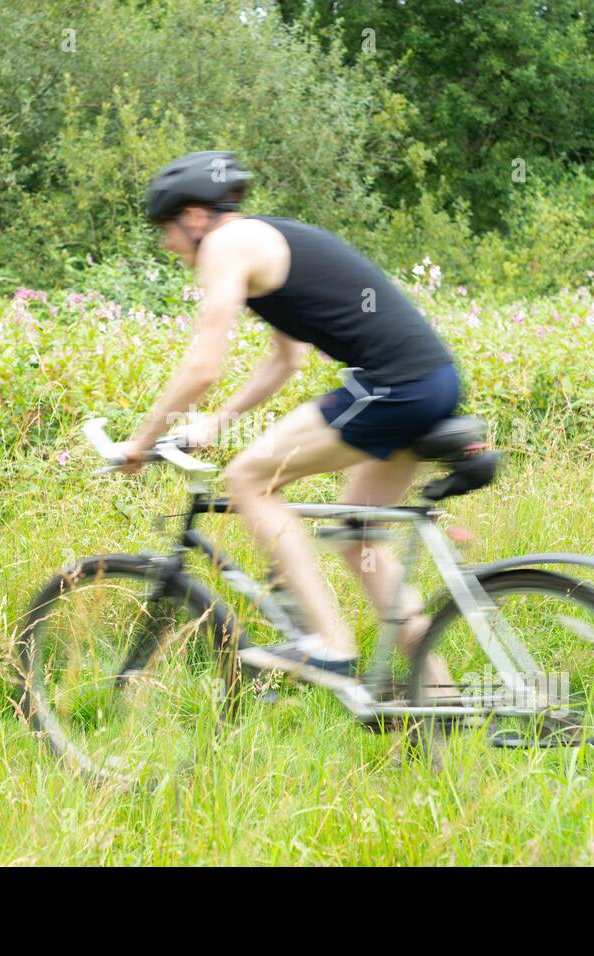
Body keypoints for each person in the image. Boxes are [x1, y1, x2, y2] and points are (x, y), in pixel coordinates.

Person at [120, 150, 461, 699]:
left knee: (249, 479)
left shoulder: (227, 246)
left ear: (195, 216)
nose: (167, 244)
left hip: (393, 387)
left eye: (167, 228)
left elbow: (204, 365)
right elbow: (286, 360)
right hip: (430, 381)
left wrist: (139, 442)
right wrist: (217, 422)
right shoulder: (262, 241)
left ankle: (330, 644)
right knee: (360, 539)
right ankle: (442, 701)